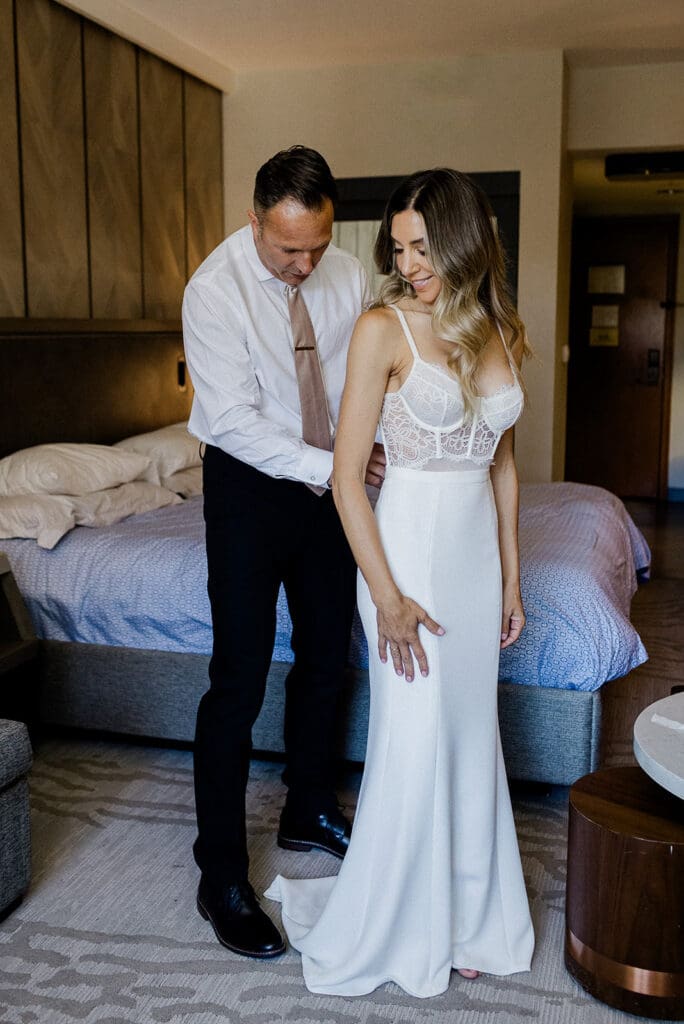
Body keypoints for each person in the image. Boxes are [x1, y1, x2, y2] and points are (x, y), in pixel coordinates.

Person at [266, 168, 535, 996]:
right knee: (415, 740)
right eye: (399, 247)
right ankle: (407, 923)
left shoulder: (497, 327)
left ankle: (467, 917)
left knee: (468, 736)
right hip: (406, 555)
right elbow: (348, 479)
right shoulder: (382, 329)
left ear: (462, 241)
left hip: (473, 561)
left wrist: (512, 579)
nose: (407, 263)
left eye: (422, 247)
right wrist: (384, 596)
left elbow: (503, 467)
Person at [182, 146, 383, 960]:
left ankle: (308, 805)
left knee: (327, 655)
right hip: (248, 487)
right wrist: (335, 469)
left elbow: (364, 379)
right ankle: (220, 873)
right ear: (255, 220)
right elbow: (232, 420)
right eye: (288, 248)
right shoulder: (213, 289)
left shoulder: (348, 275)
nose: (305, 265)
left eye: (317, 247)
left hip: (329, 479)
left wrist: (363, 451)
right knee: (238, 677)